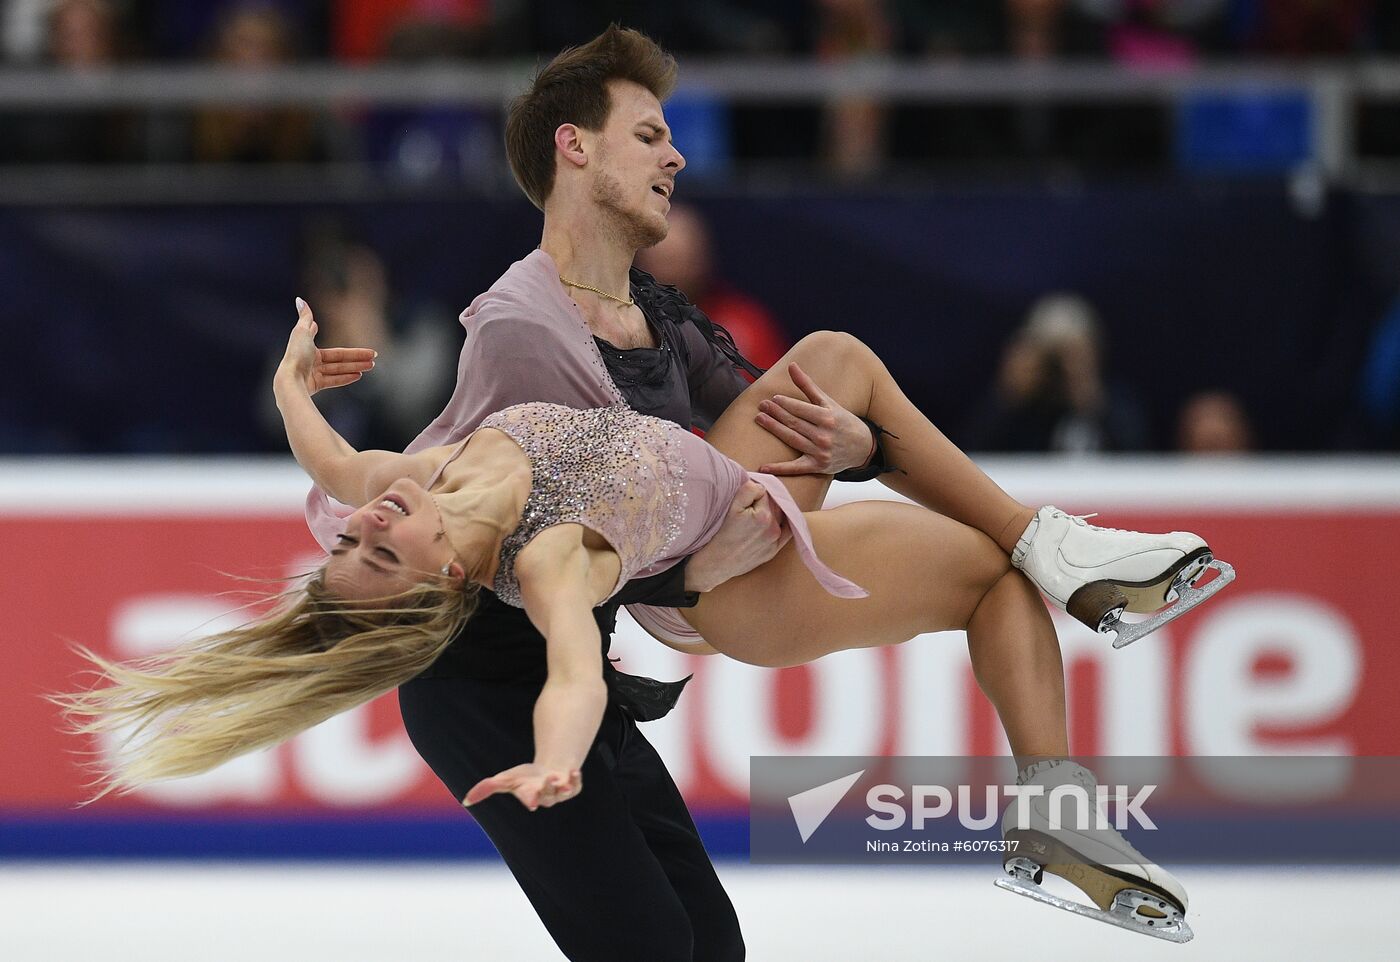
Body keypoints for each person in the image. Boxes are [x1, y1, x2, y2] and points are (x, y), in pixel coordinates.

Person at [65, 26, 1223, 956]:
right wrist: (565, 741)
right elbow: (563, 637)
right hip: (578, 625)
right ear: (576, 148)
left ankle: (1055, 797)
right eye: (652, 134)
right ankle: (1048, 549)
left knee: (939, 514)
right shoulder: (522, 351)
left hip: (685, 544)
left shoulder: (643, 316)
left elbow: (348, 467)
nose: (675, 155)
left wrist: (289, 385)